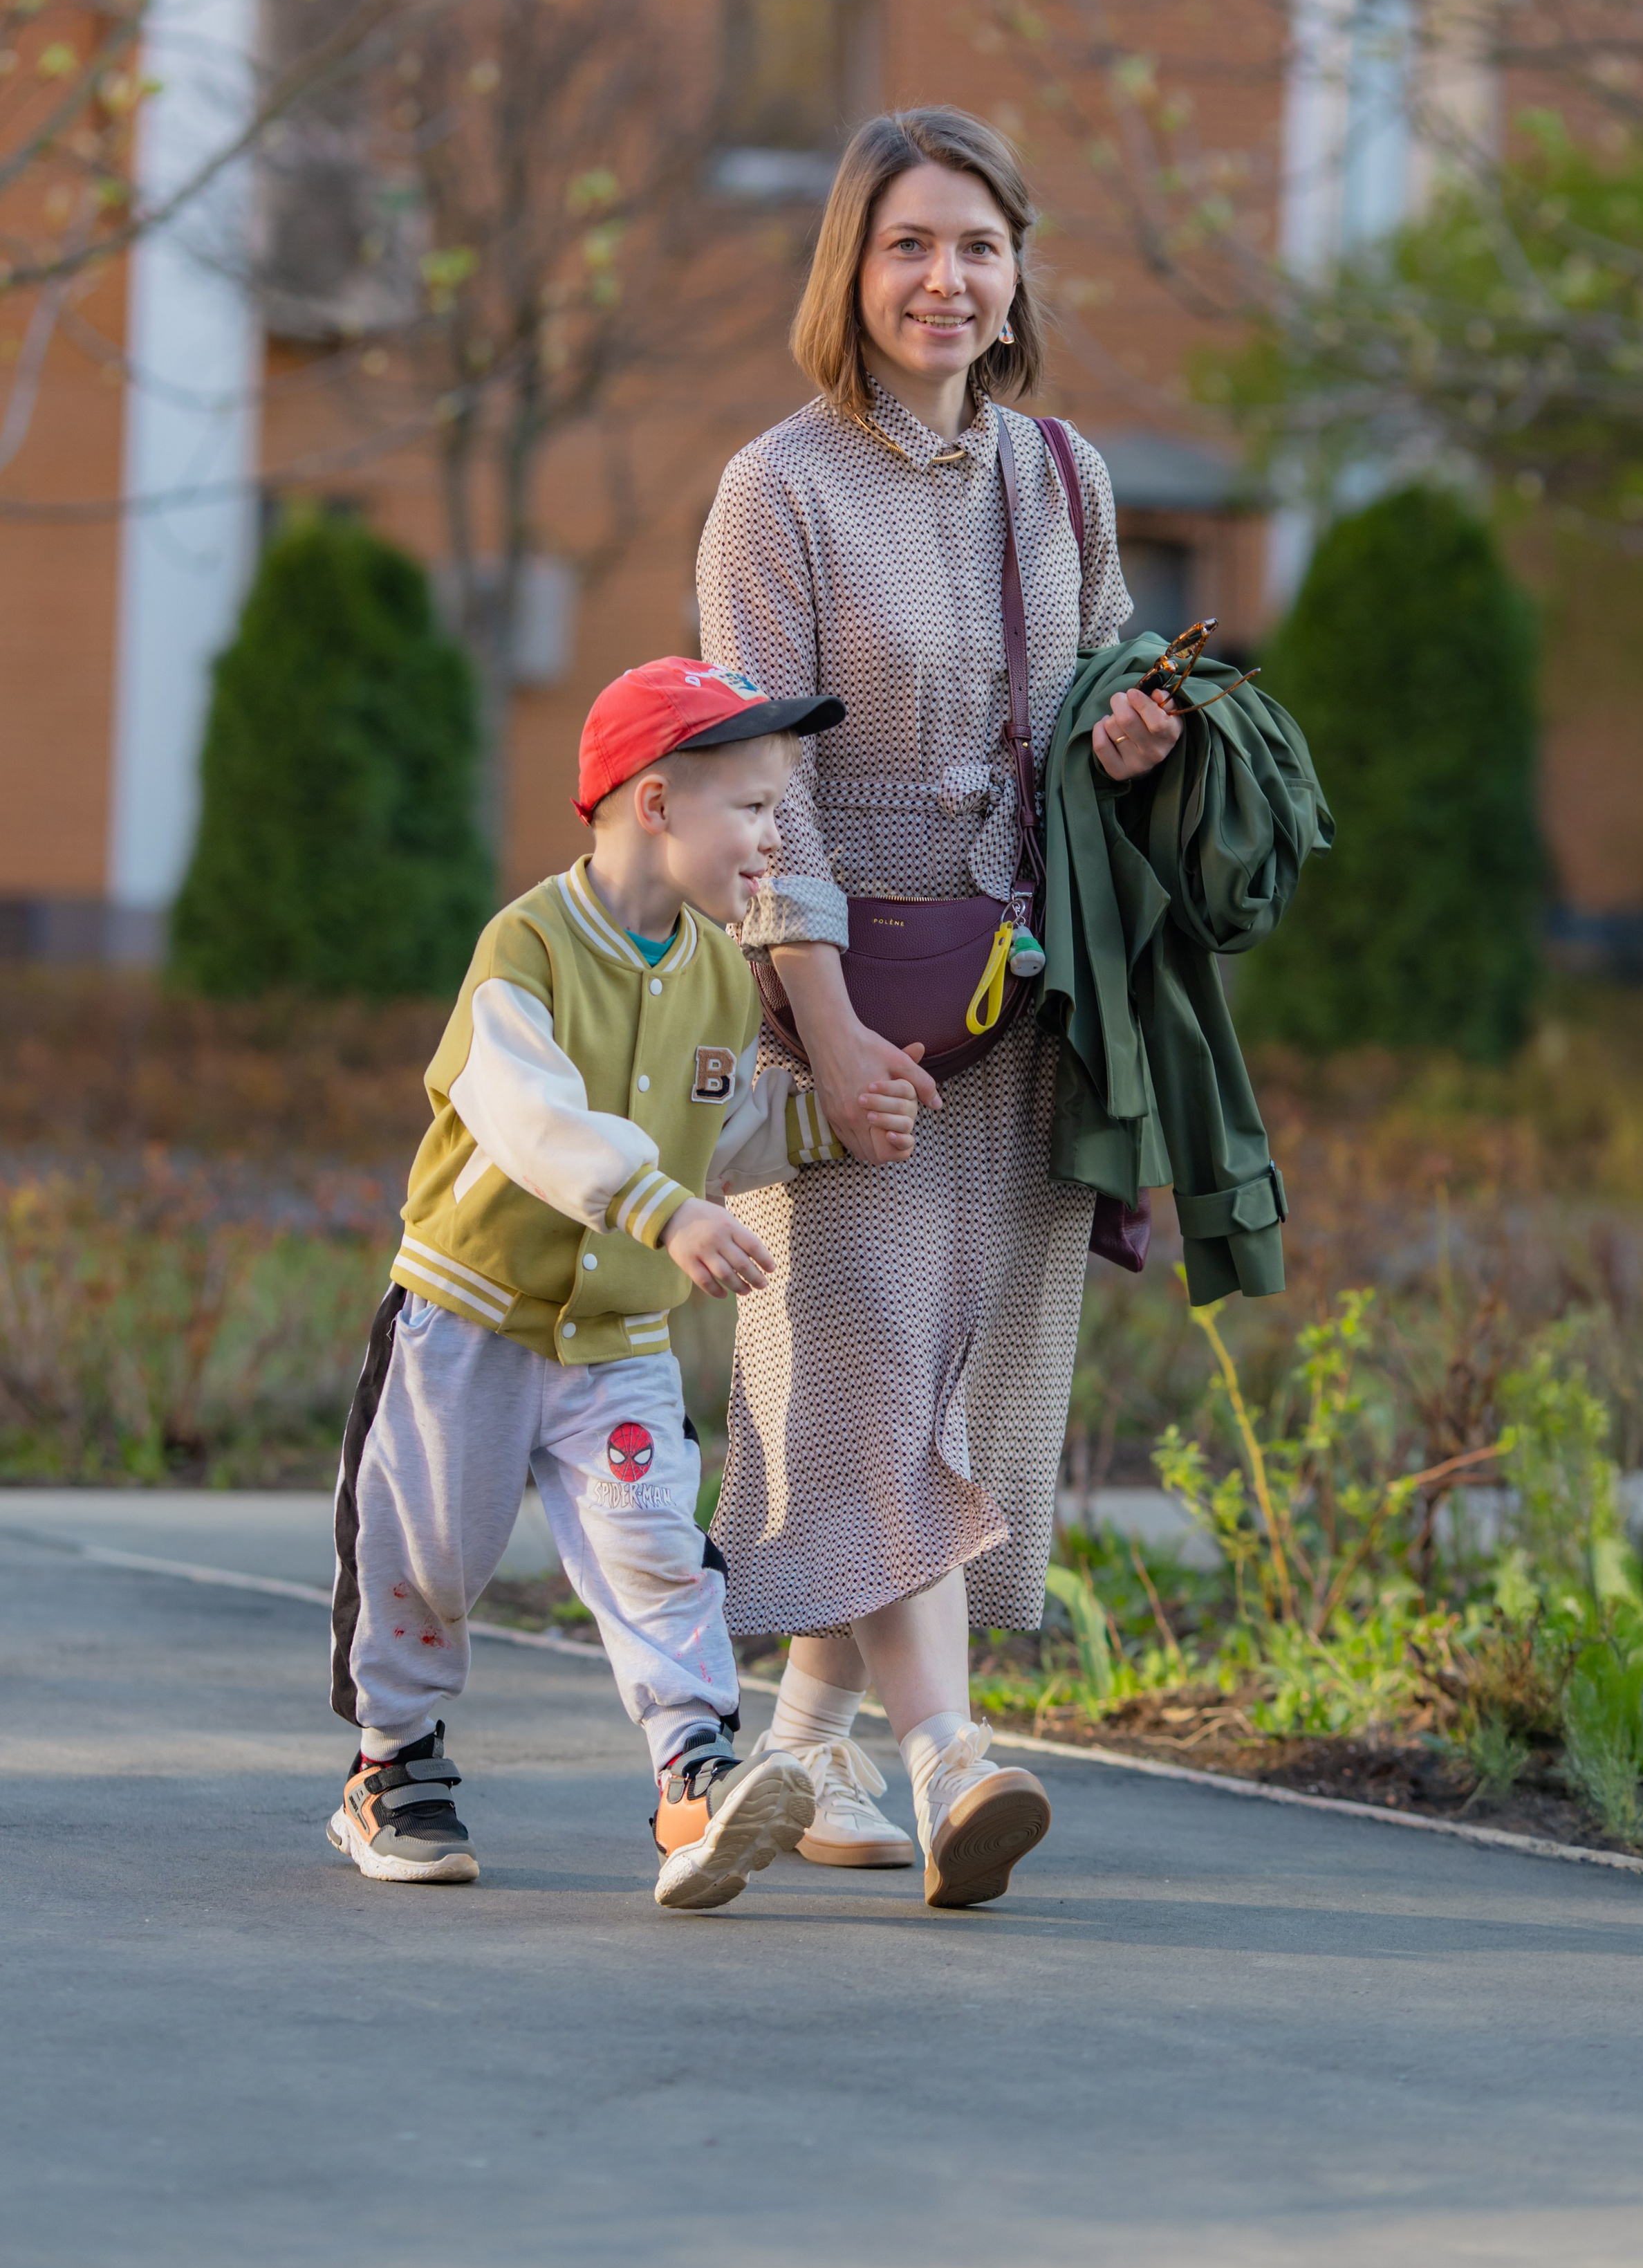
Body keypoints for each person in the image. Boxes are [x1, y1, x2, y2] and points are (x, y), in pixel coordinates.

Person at [697, 108, 1182, 1908]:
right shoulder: (781, 490)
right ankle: (951, 1763)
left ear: (1017, 269)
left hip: (1028, 998)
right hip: (859, 997)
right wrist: (819, 1031)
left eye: (977, 245)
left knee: (962, 1388)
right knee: (872, 1363)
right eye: (909, 244)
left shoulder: (1063, 478)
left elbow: (1113, 691)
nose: (946, 278)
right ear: (852, 265)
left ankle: (794, 1755)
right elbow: (758, 796)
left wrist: (1135, 737)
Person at [326, 656, 925, 1912]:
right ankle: (393, 1764)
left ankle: (694, 1777)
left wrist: (828, 1121)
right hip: (468, 1321)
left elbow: (722, 1119)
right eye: (754, 810)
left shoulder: (715, 967)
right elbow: (529, 1119)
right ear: (656, 805)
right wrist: (665, 1208)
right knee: (426, 1556)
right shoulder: (526, 948)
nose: (775, 839)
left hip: (617, 1343)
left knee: (659, 1555)